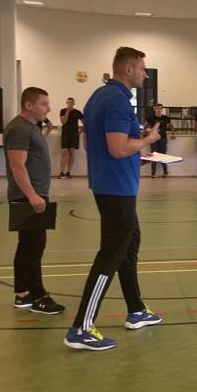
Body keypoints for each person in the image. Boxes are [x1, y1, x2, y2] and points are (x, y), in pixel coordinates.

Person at [64, 47, 163, 351]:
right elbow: (118, 148)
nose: (145, 74)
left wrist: (136, 156)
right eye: (143, 69)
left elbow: (93, 142)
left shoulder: (98, 96)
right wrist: (147, 139)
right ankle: (81, 327)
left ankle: (136, 309)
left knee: (129, 243)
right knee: (111, 254)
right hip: (116, 188)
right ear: (128, 69)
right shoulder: (119, 100)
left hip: (112, 184)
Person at [3, 87, 65, 315]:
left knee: (27, 245)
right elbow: (17, 165)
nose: (48, 108)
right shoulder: (20, 129)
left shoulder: (29, 127)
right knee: (34, 247)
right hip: (29, 195)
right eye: (43, 104)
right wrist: (32, 195)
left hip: (33, 194)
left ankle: (23, 294)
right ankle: (39, 297)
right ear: (28, 105)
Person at [143, 103, 174, 177]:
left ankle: (165, 172)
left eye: (160, 108)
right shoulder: (151, 117)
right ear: (154, 109)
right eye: (157, 108)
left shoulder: (166, 118)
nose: (159, 110)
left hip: (163, 138)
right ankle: (153, 173)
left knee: (163, 155)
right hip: (153, 139)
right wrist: (144, 132)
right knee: (153, 155)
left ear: (162, 109)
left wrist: (173, 133)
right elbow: (145, 125)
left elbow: (171, 125)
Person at [58, 97, 83, 179]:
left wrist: (80, 132)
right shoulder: (62, 111)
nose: (70, 104)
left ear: (74, 103)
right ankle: (62, 172)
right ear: (66, 103)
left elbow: (85, 122)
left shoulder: (78, 112)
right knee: (64, 152)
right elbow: (63, 122)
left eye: (71, 102)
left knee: (72, 153)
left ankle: (68, 172)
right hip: (65, 134)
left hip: (74, 135)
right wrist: (67, 112)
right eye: (68, 102)